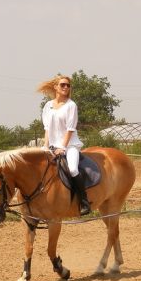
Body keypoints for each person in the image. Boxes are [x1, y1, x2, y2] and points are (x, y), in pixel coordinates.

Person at [37, 76, 90, 216]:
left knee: (72, 169)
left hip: (70, 145)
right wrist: (45, 146)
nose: (66, 87)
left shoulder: (71, 105)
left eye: (68, 85)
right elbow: (47, 128)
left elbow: (70, 129)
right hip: (53, 146)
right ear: (55, 87)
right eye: (63, 85)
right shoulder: (48, 105)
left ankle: (84, 201)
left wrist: (63, 148)